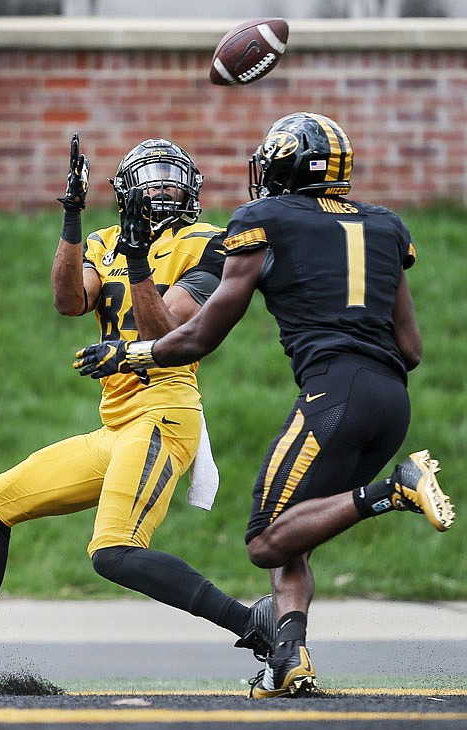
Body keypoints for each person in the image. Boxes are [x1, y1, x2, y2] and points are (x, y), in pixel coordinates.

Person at [72, 112, 456, 698]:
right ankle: (289, 660)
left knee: (265, 538)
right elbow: (412, 348)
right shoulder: (386, 224)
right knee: (296, 530)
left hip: (335, 390)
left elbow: (198, 337)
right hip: (390, 397)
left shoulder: (262, 219)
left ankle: (393, 490)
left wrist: (129, 355)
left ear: (277, 165)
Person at [0, 134, 275, 697]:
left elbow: (167, 331)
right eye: (151, 181)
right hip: (117, 425)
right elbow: (70, 301)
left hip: (164, 416)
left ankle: (256, 626)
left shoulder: (210, 242)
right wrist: (71, 221)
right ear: (123, 193)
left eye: (171, 180)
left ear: (190, 189)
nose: (162, 191)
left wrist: (141, 261)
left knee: (113, 552)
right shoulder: (104, 239)